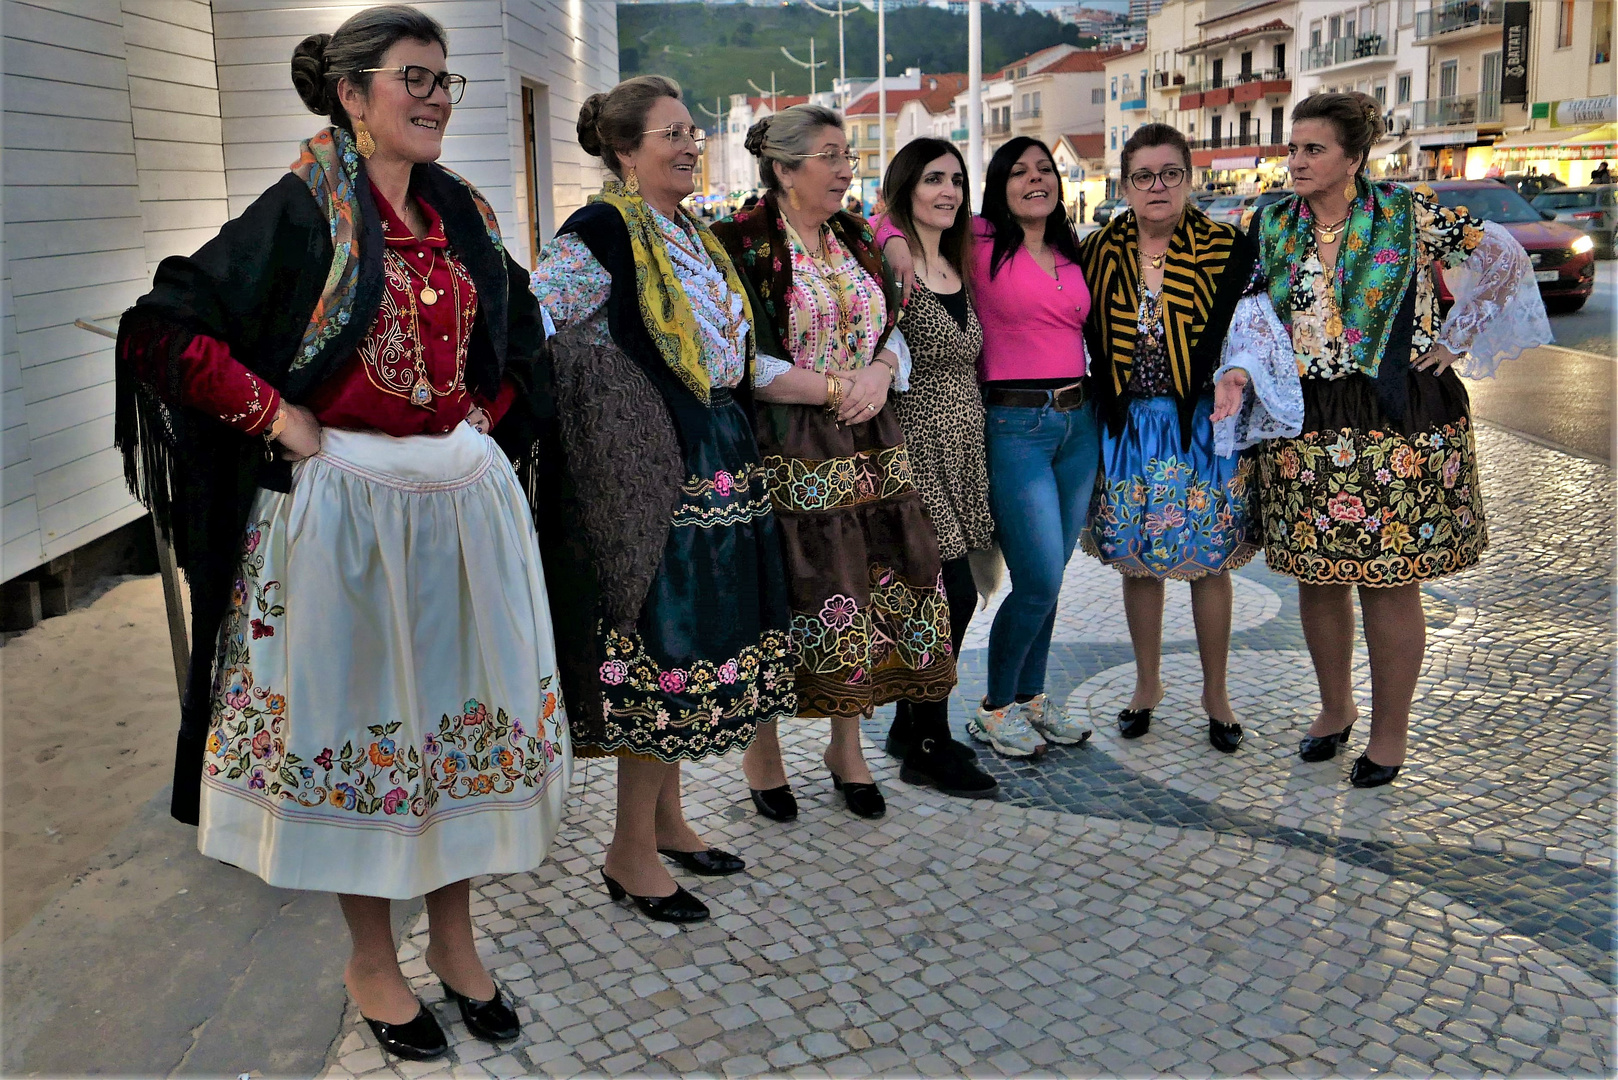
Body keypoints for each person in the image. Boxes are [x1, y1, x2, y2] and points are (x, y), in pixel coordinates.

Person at [113, 6, 566, 1059]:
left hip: (460, 518)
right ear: (351, 94)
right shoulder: (303, 210)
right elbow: (163, 327)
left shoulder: (462, 214)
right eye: (414, 78)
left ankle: (454, 941)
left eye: (446, 82)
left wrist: (483, 432)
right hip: (349, 521)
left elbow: (519, 339)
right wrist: (274, 417)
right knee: (373, 741)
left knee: (457, 740)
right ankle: (371, 959)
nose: (436, 98)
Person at [528, 76, 795, 922]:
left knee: (699, 643)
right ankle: (627, 851)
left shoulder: (691, 232)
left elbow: (731, 348)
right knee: (666, 651)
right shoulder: (601, 229)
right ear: (624, 150)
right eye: (670, 134)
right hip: (657, 474)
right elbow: (539, 324)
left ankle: (670, 822)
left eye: (693, 131)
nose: (689, 145)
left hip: (718, 452)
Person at [1250, 92, 1549, 787]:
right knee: (1317, 577)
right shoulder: (1269, 224)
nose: (1296, 160)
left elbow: (1502, 257)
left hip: (1395, 417)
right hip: (1306, 419)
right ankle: (1335, 708)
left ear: (1353, 158)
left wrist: (1455, 338)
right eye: (1292, 148)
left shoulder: (1407, 212)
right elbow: (1251, 309)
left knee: (1389, 581)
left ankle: (1389, 736)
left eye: (1313, 149)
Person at [713, 104, 954, 821]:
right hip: (787, 444)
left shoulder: (855, 236)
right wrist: (836, 388)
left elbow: (893, 325)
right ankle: (765, 752)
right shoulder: (743, 244)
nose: (848, 168)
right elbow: (736, 355)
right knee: (791, 590)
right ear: (784, 169)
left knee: (871, 583)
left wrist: (879, 370)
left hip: (871, 442)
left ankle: (846, 746)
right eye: (830, 154)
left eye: (848, 154)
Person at [1076, 124, 1301, 753]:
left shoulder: (1227, 248)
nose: (1157, 186)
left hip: (1203, 426)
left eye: (1170, 173)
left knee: (1210, 564)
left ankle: (1216, 693)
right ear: (1124, 184)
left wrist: (1236, 374)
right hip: (1125, 430)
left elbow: (1259, 332)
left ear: (1188, 178)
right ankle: (1147, 685)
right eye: (1143, 175)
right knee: (1137, 563)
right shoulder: (1096, 251)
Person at [887, 136, 1100, 759]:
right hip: (1014, 426)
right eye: (1020, 172)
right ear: (999, 186)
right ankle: (995, 706)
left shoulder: (1070, 249)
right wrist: (895, 241)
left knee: (1052, 576)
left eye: (1046, 170)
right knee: (1033, 578)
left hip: (1078, 424)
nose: (1035, 180)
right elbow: (890, 217)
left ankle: (1032, 696)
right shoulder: (977, 241)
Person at [873, 138, 999, 799]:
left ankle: (908, 720)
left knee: (955, 590)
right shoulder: (890, 258)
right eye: (932, 179)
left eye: (955, 180)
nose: (947, 191)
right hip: (915, 444)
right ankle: (928, 742)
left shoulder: (953, 264)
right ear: (905, 188)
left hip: (963, 446)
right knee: (950, 591)